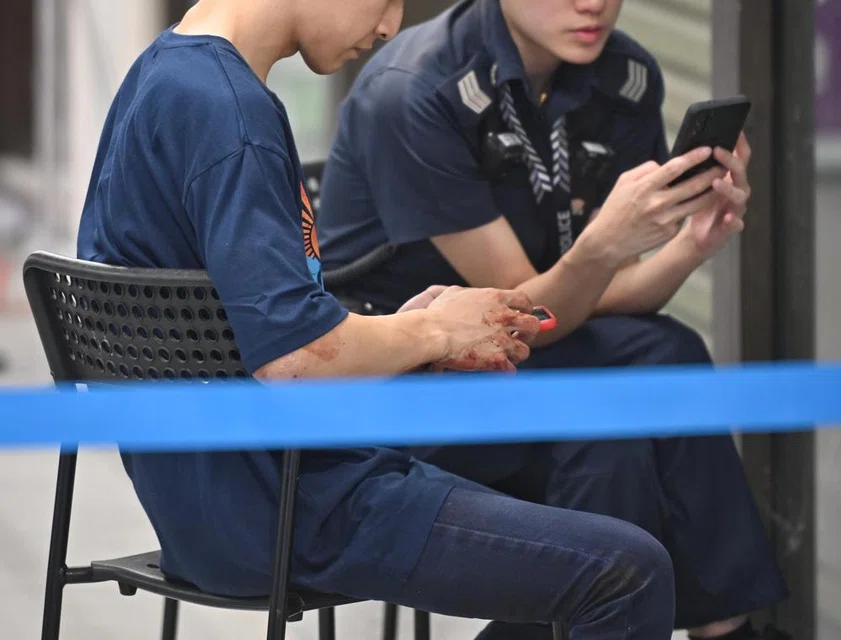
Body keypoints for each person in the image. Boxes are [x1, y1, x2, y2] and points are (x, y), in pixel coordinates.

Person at [75, 0, 690, 638]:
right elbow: (293, 359)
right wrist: (436, 330)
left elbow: (254, 325)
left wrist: (405, 331)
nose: (390, 26)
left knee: (607, 454)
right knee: (628, 572)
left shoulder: (166, 72)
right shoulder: (230, 111)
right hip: (289, 505)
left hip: (219, 500)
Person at [316, 0, 790, 638]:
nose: (592, 4)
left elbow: (599, 297)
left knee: (619, 435)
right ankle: (731, 631)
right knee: (657, 361)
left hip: (528, 368)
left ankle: (715, 629)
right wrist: (601, 247)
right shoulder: (414, 91)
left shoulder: (624, 76)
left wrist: (690, 246)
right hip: (408, 388)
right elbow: (525, 314)